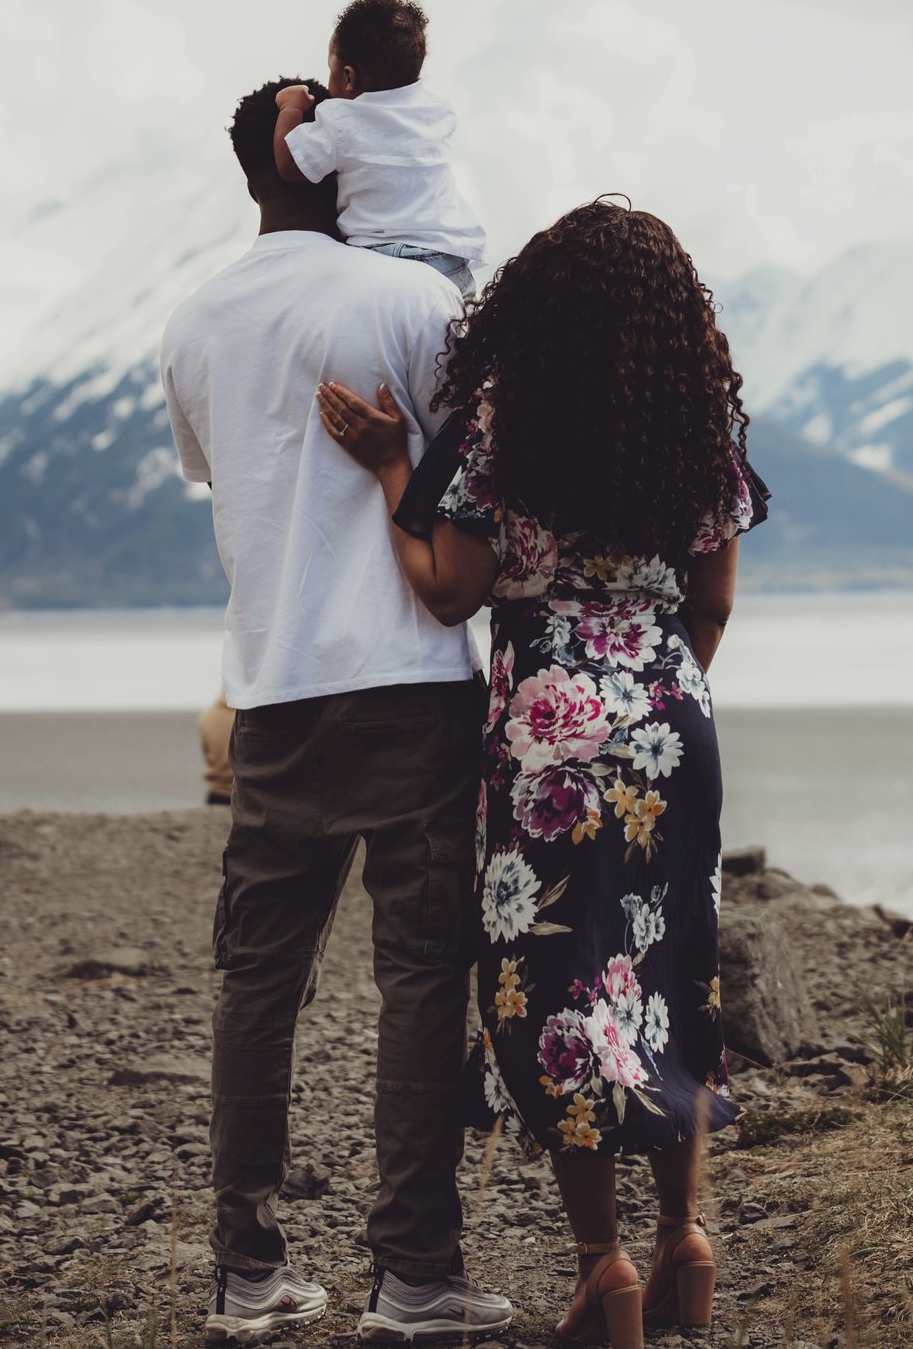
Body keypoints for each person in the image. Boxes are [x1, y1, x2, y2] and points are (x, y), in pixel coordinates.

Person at [317, 197, 767, 1349]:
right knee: (671, 969)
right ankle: (685, 1241)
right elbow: (712, 601)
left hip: (544, 727)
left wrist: (385, 468)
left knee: (555, 987)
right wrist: (654, 692)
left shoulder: (502, 420)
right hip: (674, 715)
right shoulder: (694, 420)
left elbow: (449, 585)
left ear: (538, 305)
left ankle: (603, 1266)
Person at [160, 78, 513, 1344]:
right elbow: (474, 480)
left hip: (271, 690)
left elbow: (229, 475)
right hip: (413, 682)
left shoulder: (194, 322)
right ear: (301, 154)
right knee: (420, 976)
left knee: (259, 983)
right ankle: (414, 1276)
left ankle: (245, 1270)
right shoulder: (410, 300)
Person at [272, 0, 486, 295]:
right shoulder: (439, 112)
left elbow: (290, 166)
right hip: (447, 257)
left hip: (380, 260)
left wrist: (290, 108)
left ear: (348, 77)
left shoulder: (341, 119)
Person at [198, 691, 233, 806]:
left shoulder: (207, 715)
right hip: (246, 794)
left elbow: (208, 754)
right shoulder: (255, 714)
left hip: (217, 793)